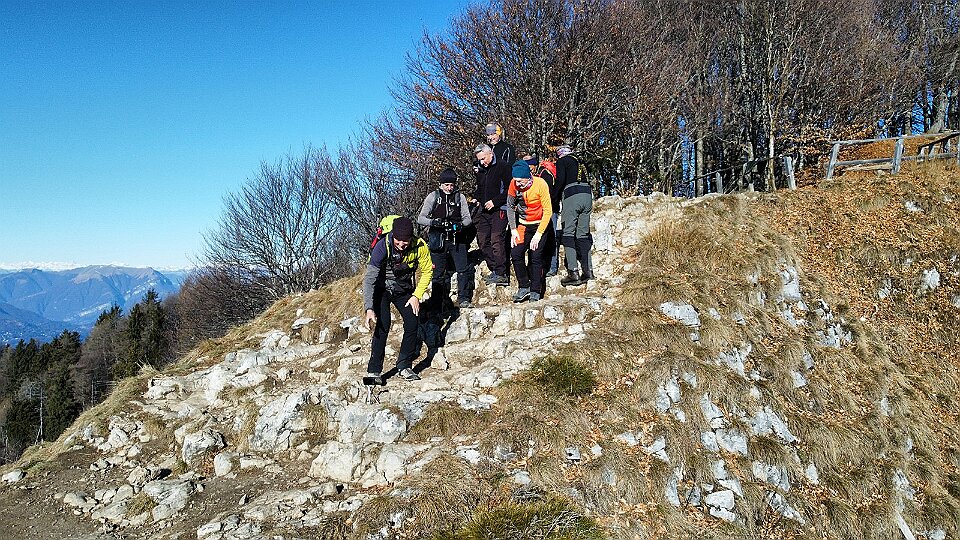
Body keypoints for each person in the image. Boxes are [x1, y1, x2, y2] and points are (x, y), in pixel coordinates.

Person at [363, 216, 433, 383]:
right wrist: (369, 308)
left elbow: (427, 271)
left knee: (412, 320)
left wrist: (416, 296)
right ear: (393, 235)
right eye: (398, 240)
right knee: (383, 324)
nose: (401, 244)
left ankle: (404, 366)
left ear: (411, 237)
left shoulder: (420, 246)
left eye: (405, 241)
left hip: (402, 289)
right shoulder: (382, 247)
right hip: (381, 289)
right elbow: (369, 279)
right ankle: (374, 371)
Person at [417, 168, 475, 309]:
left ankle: (464, 299)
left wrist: (460, 225)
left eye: (452, 185)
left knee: (462, 269)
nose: (449, 188)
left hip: (457, 238)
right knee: (437, 273)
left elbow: (467, 218)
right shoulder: (433, 196)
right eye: (446, 185)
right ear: (441, 184)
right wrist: (434, 222)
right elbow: (421, 218)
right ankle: (437, 304)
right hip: (438, 238)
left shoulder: (460, 197)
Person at [507, 160, 554, 302]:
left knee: (536, 256)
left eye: (520, 181)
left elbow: (548, 211)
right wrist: (513, 229)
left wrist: (538, 235)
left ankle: (535, 290)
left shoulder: (541, 184)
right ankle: (524, 287)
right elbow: (510, 207)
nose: (517, 184)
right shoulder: (513, 184)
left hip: (540, 224)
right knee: (516, 253)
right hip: (523, 224)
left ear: (528, 177)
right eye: (515, 180)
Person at [472, 144, 511, 286]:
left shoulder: (503, 166)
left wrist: (495, 202)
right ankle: (494, 268)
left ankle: (501, 273)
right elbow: (480, 188)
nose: (482, 162)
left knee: (496, 239)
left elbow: (509, 189)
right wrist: (476, 198)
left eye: (483, 158)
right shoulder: (481, 169)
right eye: (479, 160)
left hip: (500, 208)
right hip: (484, 210)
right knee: (482, 240)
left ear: (491, 154)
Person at [556, 145, 593, 286]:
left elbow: (560, 181)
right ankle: (588, 272)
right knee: (583, 234)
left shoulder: (562, 161)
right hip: (587, 195)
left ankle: (573, 272)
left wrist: (553, 197)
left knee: (568, 233)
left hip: (572, 195)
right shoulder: (580, 161)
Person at [523, 153, 560, 277]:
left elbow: (549, 195)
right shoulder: (536, 175)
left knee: (550, 238)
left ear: (533, 165)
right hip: (537, 213)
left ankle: (551, 267)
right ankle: (537, 267)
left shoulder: (544, 174)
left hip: (549, 211)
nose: (528, 170)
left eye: (529, 167)